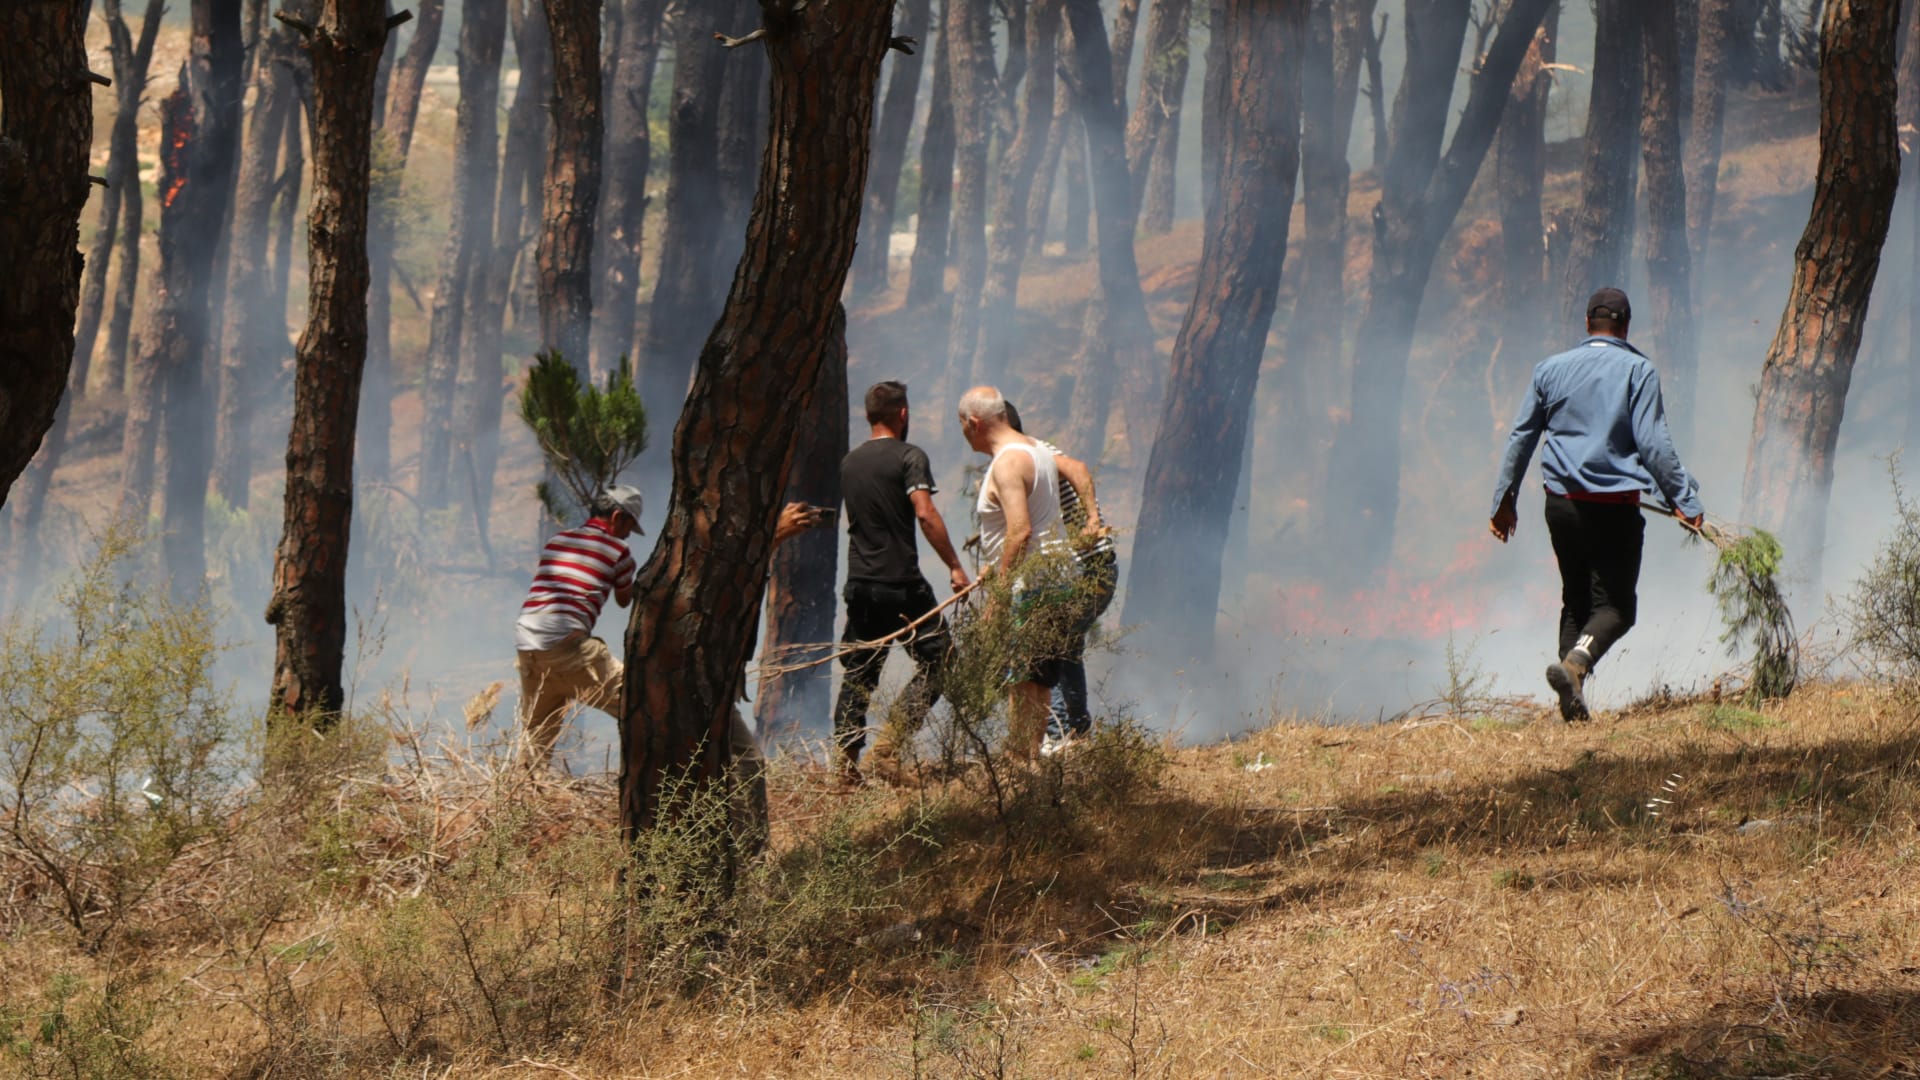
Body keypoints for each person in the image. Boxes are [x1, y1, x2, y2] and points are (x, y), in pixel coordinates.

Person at [1489, 287, 1704, 722]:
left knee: (1576, 600)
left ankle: (1572, 699)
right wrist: (1683, 499)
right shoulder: (1638, 371)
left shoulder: (1549, 370)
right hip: (1613, 509)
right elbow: (1652, 443)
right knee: (1617, 608)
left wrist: (1504, 499)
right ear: (1626, 326)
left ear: (1587, 324)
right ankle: (1575, 666)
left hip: (1562, 506)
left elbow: (1522, 437)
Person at [515, 486, 816, 782]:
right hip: (571, 649)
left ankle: (522, 802)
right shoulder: (617, 550)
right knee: (645, 707)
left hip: (528, 647)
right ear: (618, 516)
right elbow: (624, 598)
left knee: (536, 740)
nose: (627, 536)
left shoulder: (559, 540)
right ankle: (668, 784)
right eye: (628, 527)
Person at [834, 381, 971, 784]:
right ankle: (887, 752)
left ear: (868, 416)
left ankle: (844, 770)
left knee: (858, 674)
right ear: (904, 415)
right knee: (942, 661)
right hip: (901, 585)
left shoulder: (850, 462)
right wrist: (955, 566)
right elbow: (925, 513)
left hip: (860, 583)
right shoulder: (911, 456)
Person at [959, 385, 1074, 759]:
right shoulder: (1038, 449)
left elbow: (1021, 530)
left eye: (962, 426)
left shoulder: (1007, 461)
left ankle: (1019, 761)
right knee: (1038, 678)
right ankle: (1027, 760)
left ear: (974, 423)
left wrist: (1000, 592)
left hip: (1031, 585)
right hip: (1056, 579)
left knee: (1023, 677)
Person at [1004, 402, 1117, 757]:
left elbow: (1079, 469)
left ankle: (1059, 733)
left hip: (1089, 567)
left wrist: (1093, 519)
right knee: (1064, 646)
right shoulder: (1019, 461)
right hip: (1077, 569)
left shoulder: (1033, 452)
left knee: (1054, 645)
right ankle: (1076, 733)